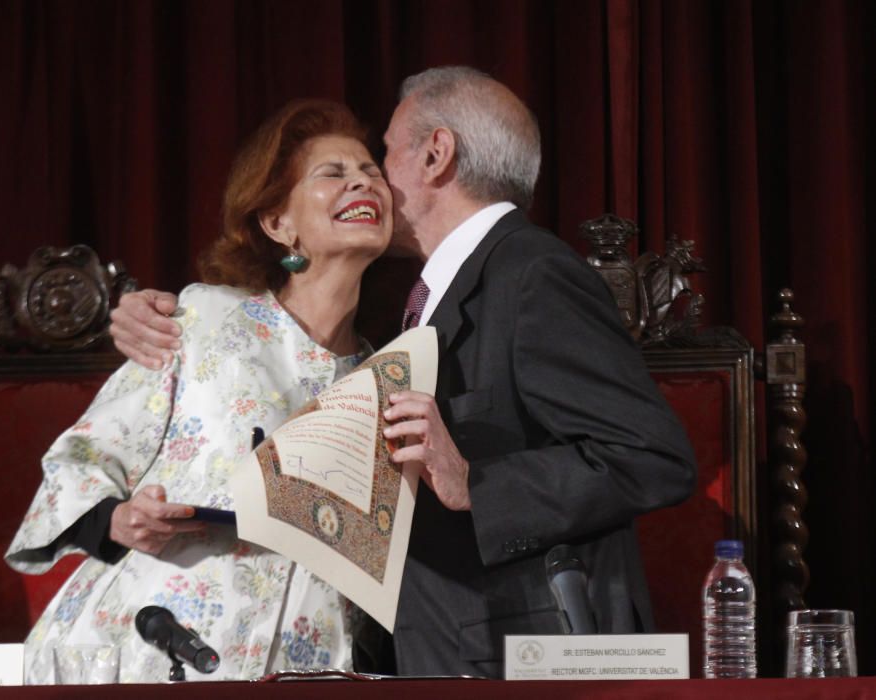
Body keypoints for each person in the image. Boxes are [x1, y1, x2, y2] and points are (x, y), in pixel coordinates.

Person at [110, 66, 697, 678]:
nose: (374, 180)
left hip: (533, 664)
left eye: (381, 156)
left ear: (436, 154)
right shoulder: (414, 305)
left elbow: (652, 455)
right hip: (430, 657)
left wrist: (475, 482)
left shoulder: (533, 275)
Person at [5, 99, 393, 683]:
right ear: (277, 223)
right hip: (156, 639)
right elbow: (83, 454)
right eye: (333, 174)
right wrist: (118, 519)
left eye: (373, 172)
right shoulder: (203, 318)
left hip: (306, 659)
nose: (363, 181)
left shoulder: (384, 376)